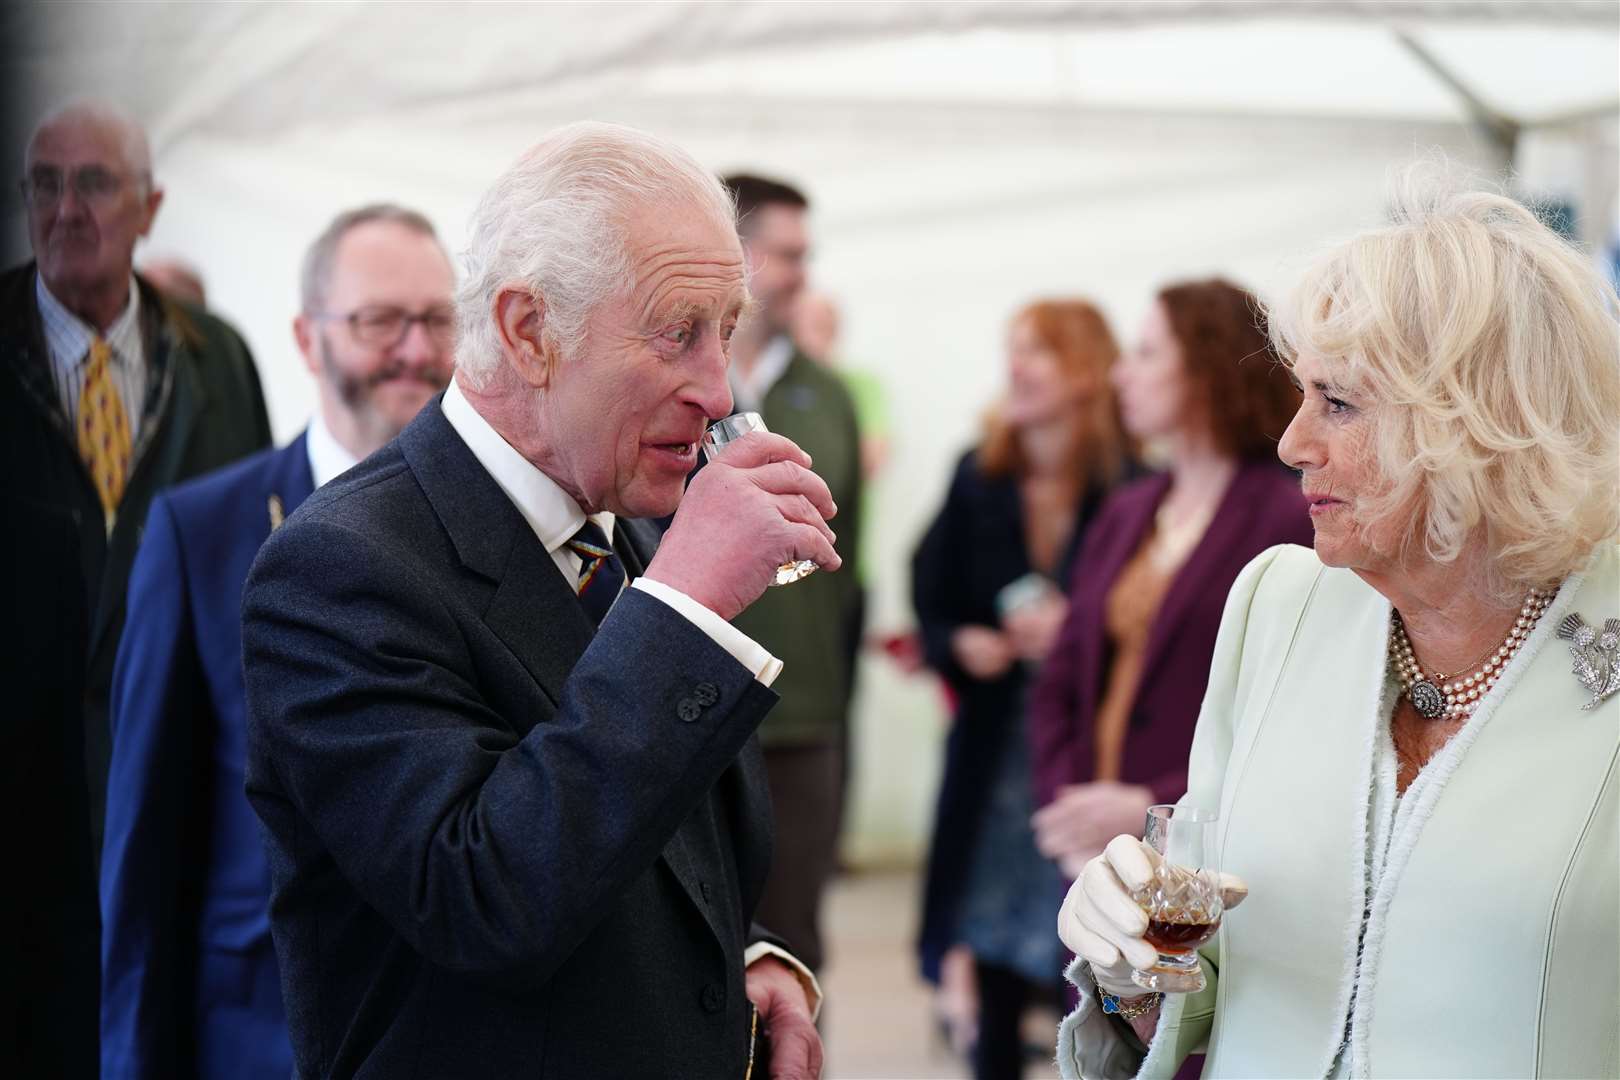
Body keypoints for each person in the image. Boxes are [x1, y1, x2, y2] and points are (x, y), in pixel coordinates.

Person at [241, 122, 835, 1078]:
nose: (719, 389)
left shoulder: (631, 524)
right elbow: (484, 895)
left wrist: (744, 958)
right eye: (678, 331)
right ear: (528, 331)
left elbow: (659, 836)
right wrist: (684, 607)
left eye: (726, 331)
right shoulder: (338, 567)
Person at [1056, 177, 1619, 1078]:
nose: (1291, 442)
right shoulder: (1279, 602)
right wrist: (1132, 961)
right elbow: (1203, 964)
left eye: (1338, 403)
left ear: (1480, 422)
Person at [99, 204, 456, 1080]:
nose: (415, 349)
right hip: (263, 1037)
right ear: (307, 337)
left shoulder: (498, 530)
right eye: (380, 321)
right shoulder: (205, 531)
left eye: (439, 319)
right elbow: (145, 851)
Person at [0, 100, 270, 1078]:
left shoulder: (216, 358)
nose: (66, 210)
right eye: (44, 183)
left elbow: (255, 550)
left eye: (96, 183)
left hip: (175, 775)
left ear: (150, 207)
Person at [912, 300, 1134, 1079]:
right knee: (989, 931)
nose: (1016, 366)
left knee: (1085, 944)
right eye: (1013, 349)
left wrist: (1078, 632)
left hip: (1087, 746)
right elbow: (930, 597)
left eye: (1037, 351)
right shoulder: (980, 476)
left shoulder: (1134, 485)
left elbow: (1156, 626)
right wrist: (960, 644)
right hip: (996, 743)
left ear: (1086, 370)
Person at [1028, 280, 1309, 881]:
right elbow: (1062, 676)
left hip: (1211, 850)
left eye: (1147, 353)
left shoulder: (1284, 517)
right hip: (1096, 851)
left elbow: (1288, 709)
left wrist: (1156, 803)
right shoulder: (1128, 510)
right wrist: (1069, 808)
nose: (1120, 375)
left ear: (1207, 367)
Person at [721, 173, 864, 976]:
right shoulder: (674, 393)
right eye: (788, 255)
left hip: (801, 720)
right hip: (688, 700)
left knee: (793, 956)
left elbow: (848, 567)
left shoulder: (829, 395)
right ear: (736, 253)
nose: (802, 274)